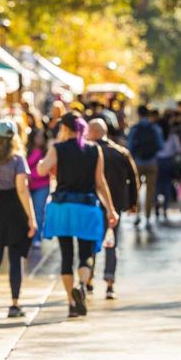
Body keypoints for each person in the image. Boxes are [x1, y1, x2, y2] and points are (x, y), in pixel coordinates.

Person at [37, 113, 119, 318]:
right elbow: (100, 182)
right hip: (86, 208)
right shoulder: (94, 149)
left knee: (66, 256)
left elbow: (41, 170)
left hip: (63, 208)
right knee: (86, 254)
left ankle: (71, 303)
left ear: (65, 128)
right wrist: (111, 209)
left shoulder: (58, 148)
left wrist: (47, 157)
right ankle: (82, 284)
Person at [0, 119, 38, 318]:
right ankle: (14, 304)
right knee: (16, 259)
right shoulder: (18, 158)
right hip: (15, 209)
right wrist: (31, 218)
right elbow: (22, 189)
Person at [86, 119, 137, 299]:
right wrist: (132, 203)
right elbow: (133, 179)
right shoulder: (120, 152)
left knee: (90, 242)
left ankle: (88, 279)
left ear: (92, 132)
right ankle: (109, 282)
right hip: (114, 206)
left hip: (91, 204)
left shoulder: (88, 153)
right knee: (111, 243)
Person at [127, 104, 164, 229]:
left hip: (137, 163)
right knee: (150, 191)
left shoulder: (134, 128)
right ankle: (148, 217)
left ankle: (137, 214)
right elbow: (160, 146)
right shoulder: (155, 128)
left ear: (138, 114)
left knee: (136, 189)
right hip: (152, 162)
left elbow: (130, 147)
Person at [26, 126, 50, 249]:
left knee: (38, 212)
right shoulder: (26, 151)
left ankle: (37, 238)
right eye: (37, 136)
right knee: (27, 212)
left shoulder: (47, 152)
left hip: (42, 186)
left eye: (42, 136)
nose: (40, 139)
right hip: (26, 186)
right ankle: (28, 237)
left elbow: (46, 169)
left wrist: (31, 175)